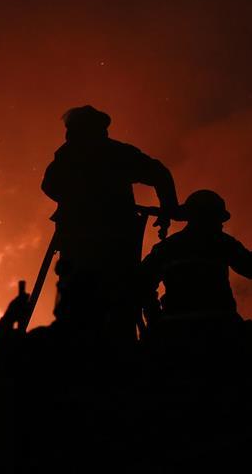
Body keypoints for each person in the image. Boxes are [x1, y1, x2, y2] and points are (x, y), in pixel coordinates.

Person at [41, 105, 180, 342]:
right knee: (119, 303)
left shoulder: (67, 156)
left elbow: (49, 186)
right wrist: (169, 208)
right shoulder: (117, 154)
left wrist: (76, 201)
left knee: (81, 306)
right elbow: (159, 173)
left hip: (81, 246)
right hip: (116, 245)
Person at [140, 189, 252, 326]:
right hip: (219, 326)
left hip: (177, 327)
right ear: (210, 217)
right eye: (218, 219)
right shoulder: (222, 243)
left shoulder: (167, 247)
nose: (221, 225)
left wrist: (155, 319)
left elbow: (143, 282)